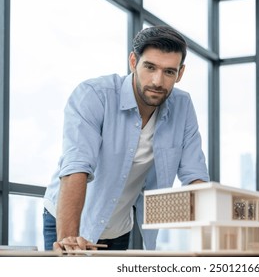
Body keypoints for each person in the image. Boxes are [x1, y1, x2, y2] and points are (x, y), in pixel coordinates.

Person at [43, 25, 210, 251]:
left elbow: (195, 176)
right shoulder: (94, 95)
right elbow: (76, 166)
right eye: (150, 67)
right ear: (133, 62)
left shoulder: (182, 106)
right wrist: (69, 239)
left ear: (180, 73)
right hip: (69, 223)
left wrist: (214, 241)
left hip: (119, 228)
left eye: (169, 71)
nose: (157, 81)